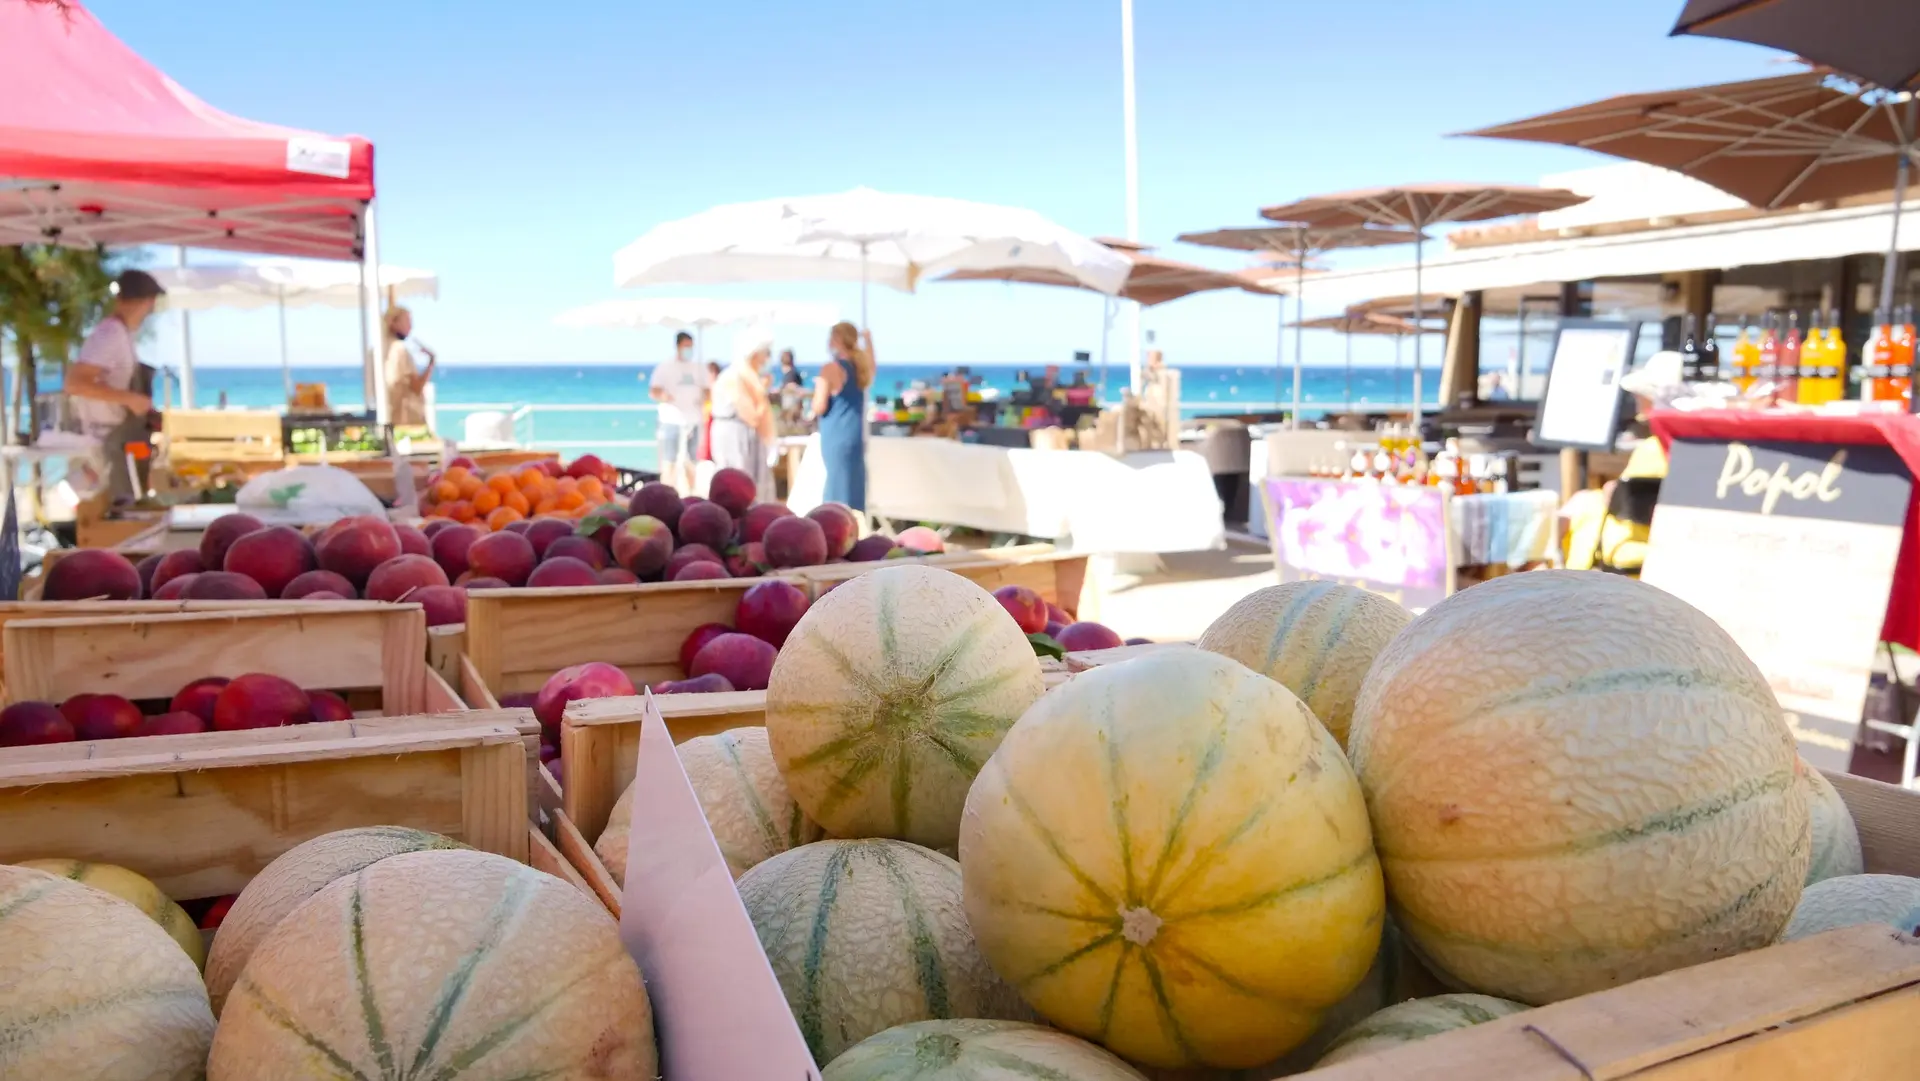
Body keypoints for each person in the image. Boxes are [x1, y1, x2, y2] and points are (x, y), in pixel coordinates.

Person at [66, 270, 167, 502]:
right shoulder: (110, 334)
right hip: (109, 441)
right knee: (119, 513)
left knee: (130, 506)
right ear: (147, 302)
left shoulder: (121, 334)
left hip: (122, 439)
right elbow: (75, 383)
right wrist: (130, 399)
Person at [812, 321, 873, 510]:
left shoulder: (830, 369)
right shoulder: (861, 368)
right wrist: (869, 341)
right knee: (853, 488)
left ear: (837, 339)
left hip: (836, 434)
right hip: (854, 435)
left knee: (836, 490)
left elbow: (819, 406)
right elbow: (872, 364)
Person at [710, 331, 777, 498]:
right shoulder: (736, 377)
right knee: (738, 488)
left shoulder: (746, 377)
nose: (766, 360)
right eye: (764, 354)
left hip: (739, 436)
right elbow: (752, 417)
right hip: (735, 437)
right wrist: (762, 396)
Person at [648, 331, 711, 494]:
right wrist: (665, 396)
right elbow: (653, 390)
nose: (689, 350)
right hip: (671, 420)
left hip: (693, 420)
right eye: (686, 346)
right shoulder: (665, 367)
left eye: (691, 347)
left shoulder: (699, 367)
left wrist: (703, 400)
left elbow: (708, 390)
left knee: (692, 461)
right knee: (669, 460)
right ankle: (665, 494)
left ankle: (691, 493)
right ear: (678, 346)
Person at [382, 305, 436, 427]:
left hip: (391, 416)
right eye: (407, 321)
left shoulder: (382, 349)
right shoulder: (400, 350)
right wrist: (431, 362)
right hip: (406, 419)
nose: (411, 327)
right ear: (394, 323)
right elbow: (416, 387)